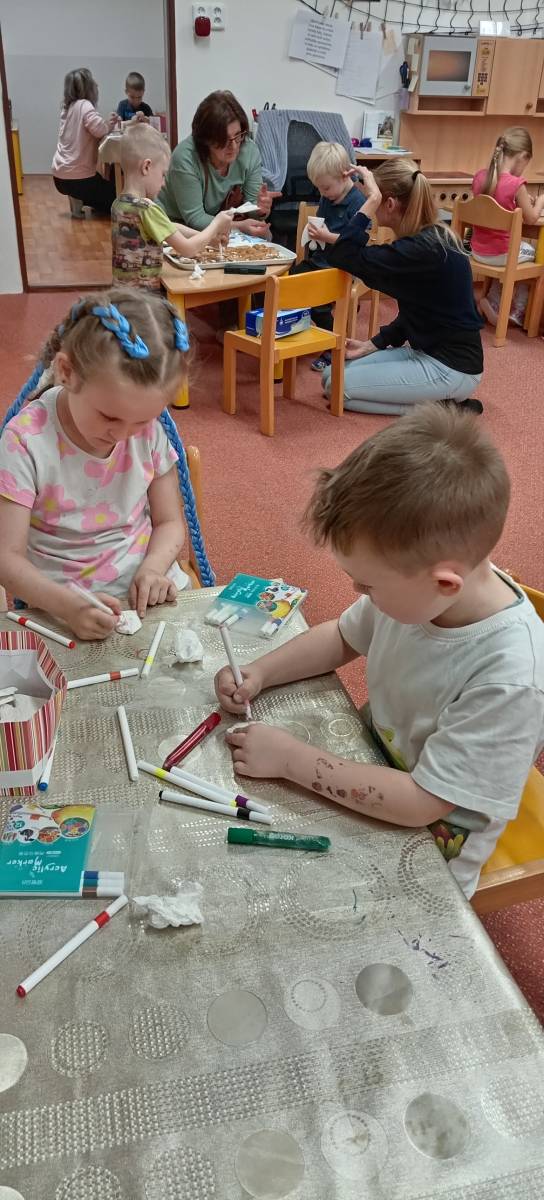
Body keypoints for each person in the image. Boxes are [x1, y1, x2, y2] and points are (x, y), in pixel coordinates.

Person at [216, 404, 544, 899]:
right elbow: (342, 637)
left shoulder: (511, 679)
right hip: (371, 763)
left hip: (430, 846)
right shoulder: (420, 592)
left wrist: (289, 760)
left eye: (367, 585)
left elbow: (423, 803)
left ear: (445, 583)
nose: (358, 592)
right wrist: (260, 671)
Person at [0, 289, 191, 640]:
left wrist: (153, 568)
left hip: (146, 589)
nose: (123, 435)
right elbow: (6, 558)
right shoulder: (25, 441)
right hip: (60, 605)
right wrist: (67, 607)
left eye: (141, 421)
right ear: (66, 372)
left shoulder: (152, 430)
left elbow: (169, 522)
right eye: (109, 416)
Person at [319, 160, 484, 416]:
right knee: (330, 375)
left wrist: (371, 200)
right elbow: (418, 308)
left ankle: (446, 409)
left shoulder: (422, 249)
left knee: (338, 390)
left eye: (375, 199)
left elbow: (343, 255)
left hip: (452, 367)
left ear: (389, 203)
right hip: (425, 351)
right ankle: (439, 401)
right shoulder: (426, 240)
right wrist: (373, 344)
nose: (371, 204)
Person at [112, 124, 233, 289]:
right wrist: (216, 224)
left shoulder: (119, 204)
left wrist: (208, 239)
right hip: (145, 298)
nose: (163, 184)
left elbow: (169, 227)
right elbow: (188, 250)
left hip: (121, 294)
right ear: (146, 167)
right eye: (163, 175)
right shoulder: (147, 209)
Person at [158, 90, 279, 237]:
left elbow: (252, 207)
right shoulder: (186, 157)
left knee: (264, 234)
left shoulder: (249, 150)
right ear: (205, 139)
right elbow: (195, 219)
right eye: (224, 139)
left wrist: (260, 209)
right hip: (177, 224)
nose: (234, 146)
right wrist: (238, 227)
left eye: (238, 136)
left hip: (220, 219)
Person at [291, 141, 363, 370]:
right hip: (321, 260)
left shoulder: (358, 202)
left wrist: (327, 236)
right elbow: (321, 222)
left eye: (326, 188)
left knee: (319, 301)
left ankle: (334, 345)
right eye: (319, 188)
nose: (322, 194)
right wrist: (314, 233)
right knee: (288, 280)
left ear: (344, 176)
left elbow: (356, 241)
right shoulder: (328, 197)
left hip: (343, 266)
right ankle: (290, 330)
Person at [471, 127, 544, 328]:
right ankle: (517, 309)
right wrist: (540, 201)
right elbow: (531, 218)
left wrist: (522, 201)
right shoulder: (516, 184)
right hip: (500, 255)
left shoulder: (480, 177)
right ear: (523, 156)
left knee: (513, 253)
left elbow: (497, 202)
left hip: (476, 251)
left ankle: (493, 301)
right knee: (532, 254)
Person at [52, 67, 117, 215]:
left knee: (99, 184)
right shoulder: (85, 105)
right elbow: (99, 130)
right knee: (115, 199)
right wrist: (109, 124)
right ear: (88, 88)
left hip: (59, 177)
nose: (97, 85)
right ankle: (80, 197)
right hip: (79, 179)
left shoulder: (67, 108)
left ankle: (77, 198)